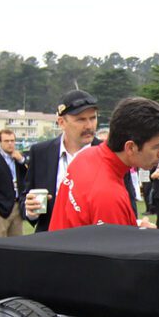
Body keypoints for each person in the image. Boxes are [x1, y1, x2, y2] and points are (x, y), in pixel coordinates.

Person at [49, 97, 159, 230]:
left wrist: (131, 224)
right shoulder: (109, 196)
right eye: (157, 146)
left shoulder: (86, 156)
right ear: (130, 147)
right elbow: (116, 248)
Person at [24, 90, 132, 231]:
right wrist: (30, 211)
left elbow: (127, 205)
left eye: (92, 118)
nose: (89, 126)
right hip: (49, 242)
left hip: (93, 242)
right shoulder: (40, 152)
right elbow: (27, 195)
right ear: (62, 122)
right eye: (81, 119)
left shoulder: (114, 155)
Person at [0, 128, 27, 238]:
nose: (10, 144)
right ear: (0, 142)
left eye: (12, 141)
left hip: (18, 204)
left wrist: (21, 160)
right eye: (6, 141)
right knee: (0, 240)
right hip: (1, 206)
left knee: (17, 240)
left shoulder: (18, 158)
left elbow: (29, 175)